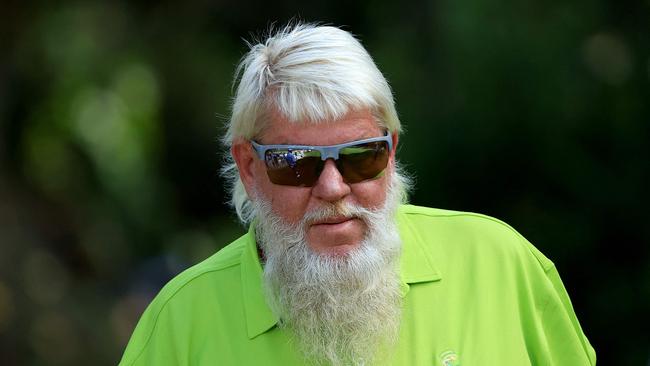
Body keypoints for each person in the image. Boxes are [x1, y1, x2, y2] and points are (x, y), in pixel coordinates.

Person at [119, 23, 596, 366]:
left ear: (391, 151)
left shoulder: (500, 263)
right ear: (249, 166)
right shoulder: (180, 323)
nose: (333, 187)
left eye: (360, 156)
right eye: (297, 163)